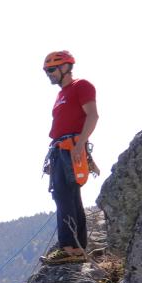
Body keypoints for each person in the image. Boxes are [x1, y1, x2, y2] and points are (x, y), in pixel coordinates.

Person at [42, 50, 98, 264]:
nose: (49, 74)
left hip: (71, 147)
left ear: (66, 67)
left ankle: (69, 248)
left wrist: (81, 144)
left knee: (65, 195)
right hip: (60, 149)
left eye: (52, 69)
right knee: (68, 195)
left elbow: (92, 115)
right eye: (47, 71)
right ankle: (77, 248)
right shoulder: (61, 95)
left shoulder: (81, 86)